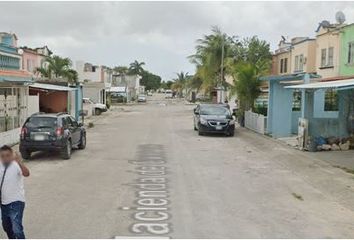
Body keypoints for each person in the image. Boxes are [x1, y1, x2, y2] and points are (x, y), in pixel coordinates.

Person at [0, 145, 30, 239]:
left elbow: (26, 174)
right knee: (6, 227)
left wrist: (19, 162)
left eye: (7, 155)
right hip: (3, 203)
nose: (5, 158)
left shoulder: (16, 164)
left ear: (11, 155)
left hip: (16, 201)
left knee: (17, 228)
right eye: (2, 156)